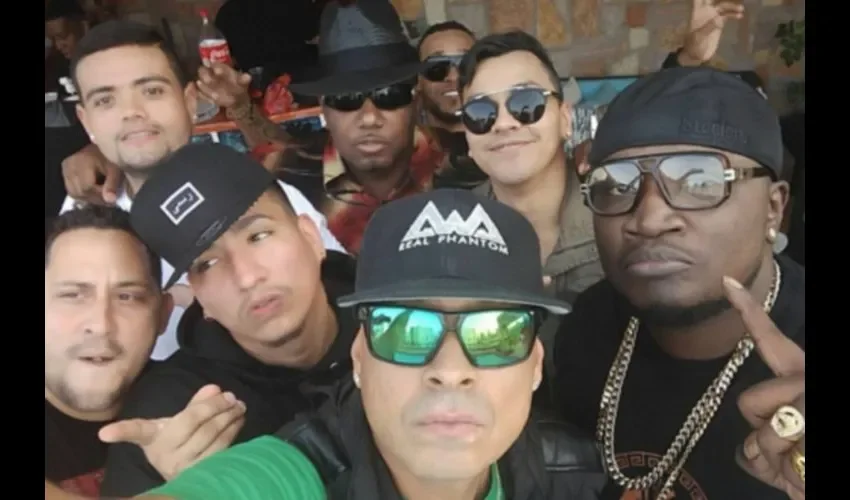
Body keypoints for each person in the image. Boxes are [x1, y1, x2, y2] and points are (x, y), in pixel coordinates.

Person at [137, 188, 606, 500]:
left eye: (495, 332)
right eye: (404, 328)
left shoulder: (583, 480)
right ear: (359, 357)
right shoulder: (301, 472)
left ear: (535, 365)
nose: (450, 370)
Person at [552, 67, 804, 500]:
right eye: (617, 184)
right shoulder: (584, 331)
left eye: (699, 181)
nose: (649, 219)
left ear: (773, 208)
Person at [59, 20, 345, 360]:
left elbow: (343, 295)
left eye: (152, 91)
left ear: (191, 101)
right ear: (86, 121)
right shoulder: (77, 223)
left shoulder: (258, 193)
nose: (132, 112)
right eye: (105, 100)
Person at [98, 143, 358, 496]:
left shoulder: (397, 319)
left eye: (259, 236)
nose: (246, 277)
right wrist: (186, 489)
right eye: (207, 263)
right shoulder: (172, 413)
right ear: (199, 297)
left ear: (311, 238)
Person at [45, 206, 169, 496]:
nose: (101, 325)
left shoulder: (199, 398)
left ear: (163, 315)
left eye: (128, 297)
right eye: (72, 295)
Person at [415, 21, 486, 189]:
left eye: (465, 65)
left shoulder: (508, 141)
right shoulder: (401, 155)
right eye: (437, 67)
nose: (453, 77)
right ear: (417, 80)